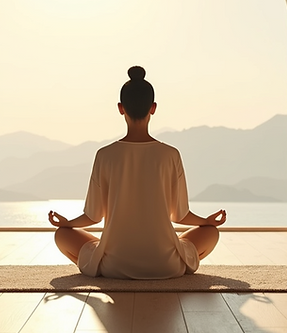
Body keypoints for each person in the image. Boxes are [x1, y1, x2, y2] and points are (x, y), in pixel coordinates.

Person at [48, 66, 227, 279]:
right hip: (167, 265)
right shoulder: (171, 155)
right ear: (153, 108)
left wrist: (67, 224)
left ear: (120, 108)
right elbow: (180, 215)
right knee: (210, 232)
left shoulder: (105, 155)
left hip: (113, 266)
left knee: (62, 236)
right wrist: (207, 221)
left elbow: (92, 216)